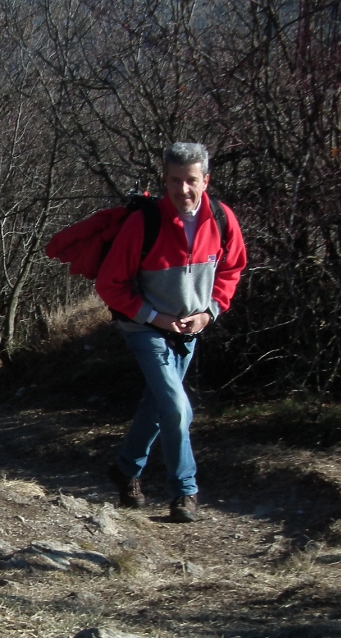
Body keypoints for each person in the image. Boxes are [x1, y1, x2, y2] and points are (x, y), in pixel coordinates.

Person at [95, 142, 247, 522]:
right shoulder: (143, 224)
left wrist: (209, 313)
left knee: (159, 403)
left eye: (191, 181)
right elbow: (110, 284)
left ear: (206, 180)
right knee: (177, 408)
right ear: (164, 180)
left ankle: (126, 469)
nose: (183, 190)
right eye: (175, 181)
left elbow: (231, 270)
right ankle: (186, 491)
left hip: (189, 330)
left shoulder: (222, 219)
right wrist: (154, 317)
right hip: (144, 329)